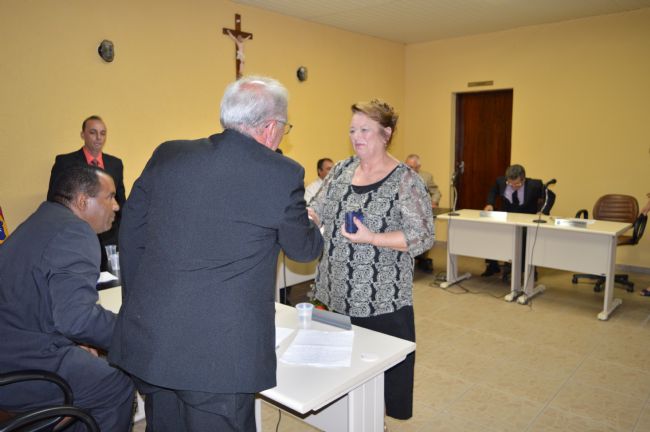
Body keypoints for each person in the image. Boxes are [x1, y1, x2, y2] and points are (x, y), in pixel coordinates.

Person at [108, 76, 324, 431]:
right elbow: (303, 249)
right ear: (271, 127)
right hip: (219, 358)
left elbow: (131, 234)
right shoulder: (282, 173)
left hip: (153, 339)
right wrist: (310, 222)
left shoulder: (169, 153)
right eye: (284, 128)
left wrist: (137, 306)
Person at [308, 99, 434, 420]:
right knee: (339, 383)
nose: (356, 136)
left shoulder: (405, 180)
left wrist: (373, 238)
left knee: (379, 387)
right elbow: (318, 209)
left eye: (365, 130)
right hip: (334, 296)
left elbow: (422, 236)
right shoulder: (340, 170)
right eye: (352, 130)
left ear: (386, 133)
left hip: (381, 303)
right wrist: (304, 216)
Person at [0, 165, 134, 431]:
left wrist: (75, 341)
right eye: (110, 196)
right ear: (83, 201)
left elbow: (45, 303)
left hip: (13, 349)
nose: (117, 206)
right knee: (116, 385)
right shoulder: (74, 232)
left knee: (92, 368)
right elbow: (78, 320)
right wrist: (133, 333)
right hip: (22, 367)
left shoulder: (42, 220)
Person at [47, 115, 126, 272]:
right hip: (77, 237)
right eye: (93, 132)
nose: (98, 138)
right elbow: (54, 201)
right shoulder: (65, 162)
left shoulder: (115, 164)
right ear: (83, 134)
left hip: (110, 238)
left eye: (103, 133)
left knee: (111, 281)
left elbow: (121, 201)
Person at [482, 164, 548, 277]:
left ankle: (527, 269)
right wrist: (490, 204)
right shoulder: (501, 181)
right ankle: (492, 265)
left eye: (517, 184)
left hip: (526, 219)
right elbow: (492, 191)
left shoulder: (534, 185)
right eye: (510, 184)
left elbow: (550, 197)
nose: (513, 187)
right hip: (507, 217)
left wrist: (543, 211)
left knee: (524, 236)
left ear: (523, 179)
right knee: (492, 231)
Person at [405, 154, 440, 272]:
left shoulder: (426, 177)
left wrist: (434, 201)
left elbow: (436, 192)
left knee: (424, 237)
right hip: (406, 213)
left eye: (412, 167)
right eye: (407, 166)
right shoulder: (400, 176)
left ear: (418, 167)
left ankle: (423, 259)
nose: (409, 169)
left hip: (422, 213)